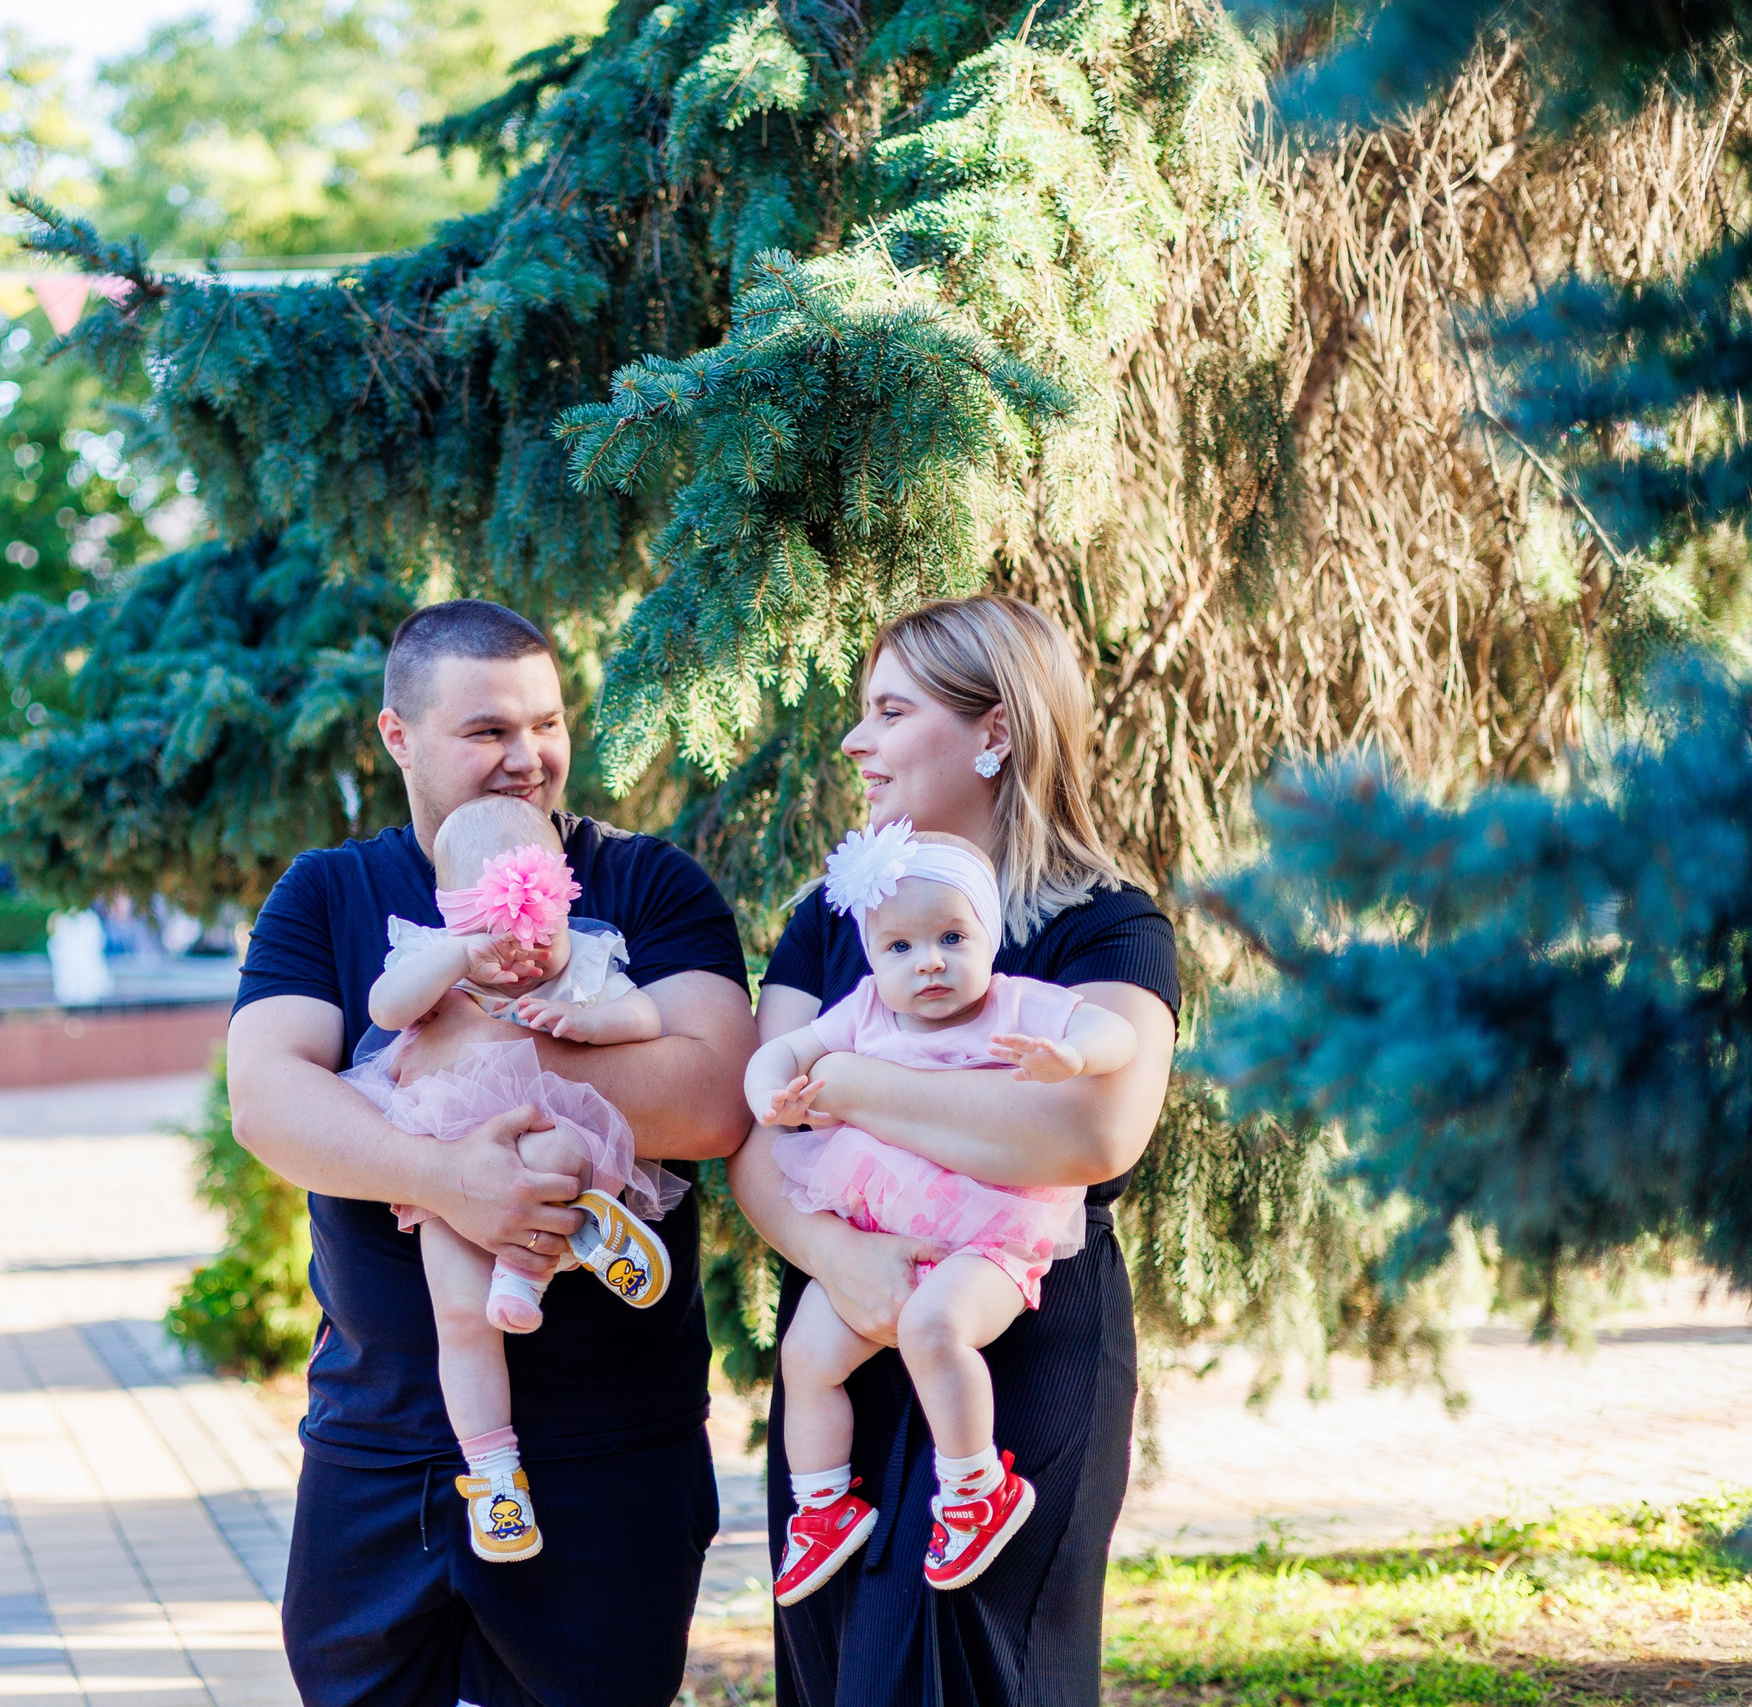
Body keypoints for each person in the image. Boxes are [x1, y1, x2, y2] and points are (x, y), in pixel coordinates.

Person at [230, 598, 758, 1707]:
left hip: (610, 1445)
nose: (528, 758)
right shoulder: (328, 896)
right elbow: (267, 1096)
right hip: (385, 1438)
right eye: (487, 732)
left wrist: (479, 1059)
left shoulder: (648, 886)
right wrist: (442, 1178)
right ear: (398, 738)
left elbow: (711, 1097)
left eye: (547, 723)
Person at [730, 594, 1178, 1707]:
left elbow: (1089, 1130)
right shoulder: (833, 920)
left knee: (985, 1669)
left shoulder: (1106, 924)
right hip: (841, 1330)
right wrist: (839, 1261)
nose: (854, 741)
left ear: (994, 732)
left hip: (1016, 1339)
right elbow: (756, 1136)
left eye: (889, 710)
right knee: (837, 1664)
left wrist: (855, 1088)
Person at [743, 825, 1137, 1604]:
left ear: (988, 934)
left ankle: (975, 1488)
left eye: (953, 937)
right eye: (899, 947)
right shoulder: (862, 1015)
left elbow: (1112, 1028)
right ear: (873, 955)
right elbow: (781, 1052)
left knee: (933, 1327)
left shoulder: (1013, 1004)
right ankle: (822, 1503)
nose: (928, 960)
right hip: (880, 1229)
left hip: (992, 1231)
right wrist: (769, 1091)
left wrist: (1076, 1056)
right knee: (807, 1355)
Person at [343, 794, 686, 1564]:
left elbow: (647, 1018)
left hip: (547, 1142)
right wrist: (461, 957)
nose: (528, 956)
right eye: (505, 938)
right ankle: (496, 1476)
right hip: (450, 1173)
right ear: (459, 921)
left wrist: (595, 1022)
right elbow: (384, 1005)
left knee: (564, 1141)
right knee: (459, 1320)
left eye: (543, 933)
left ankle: (557, 1255)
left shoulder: (585, 963)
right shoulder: (438, 968)